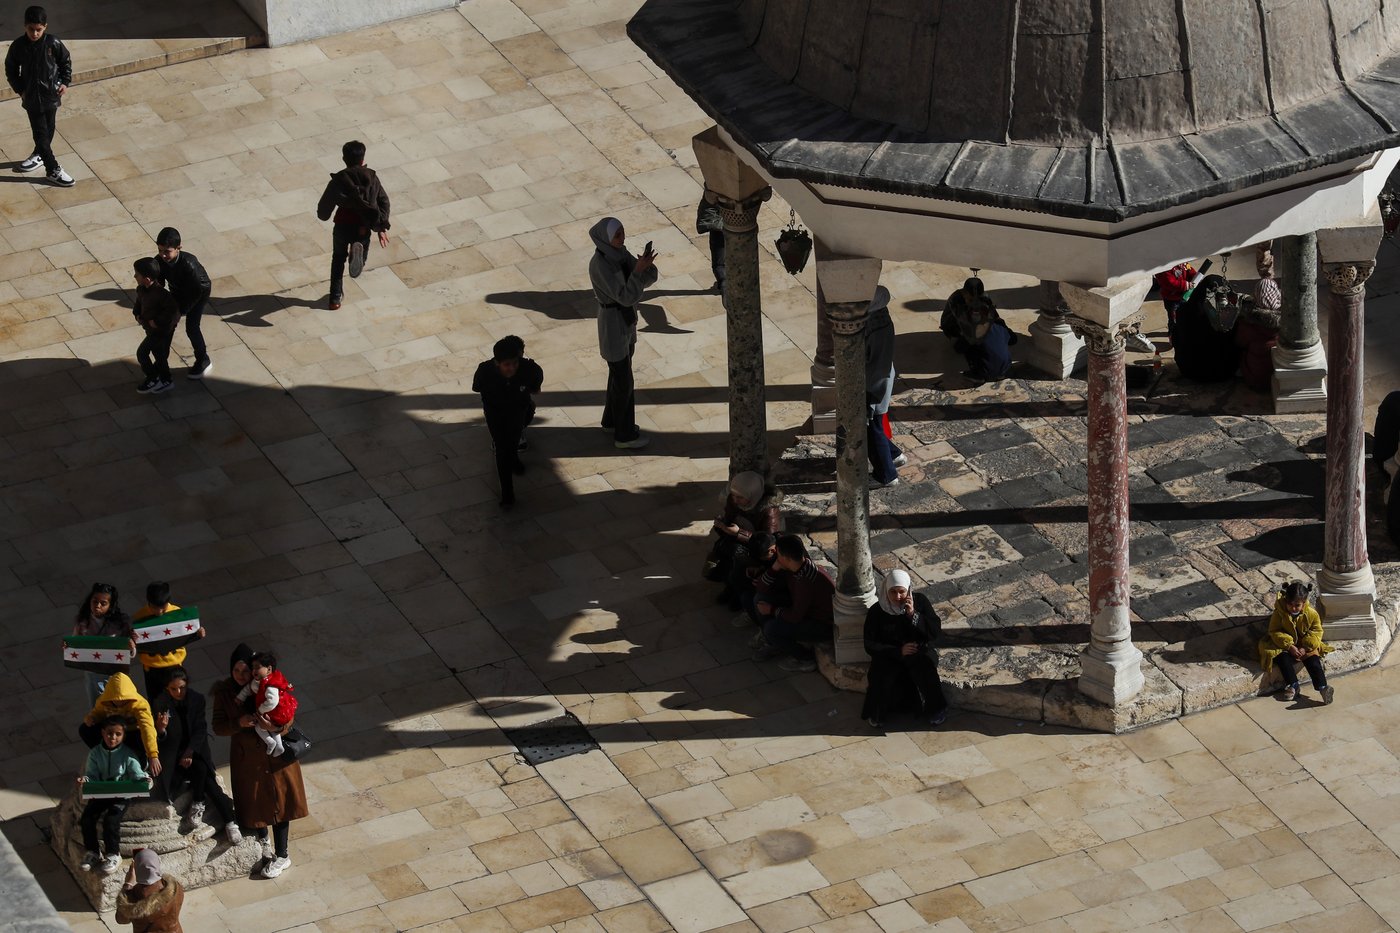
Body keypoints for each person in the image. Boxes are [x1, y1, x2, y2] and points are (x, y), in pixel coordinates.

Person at [210, 644, 308, 879]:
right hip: (247, 759)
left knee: (281, 804)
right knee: (255, 803)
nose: (242, 676)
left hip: (275, 756)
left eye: (247, 671)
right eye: (237, 671)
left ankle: (282, 854)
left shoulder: (271, 686)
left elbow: (288, 716)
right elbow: (218, 726)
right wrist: (238, 724)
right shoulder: (225, 694)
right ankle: (264, 843)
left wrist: (272, 727)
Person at [589, 216, 658, 449]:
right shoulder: (600, 265)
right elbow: (626, 295)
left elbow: (646, 280)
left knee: (619, 376)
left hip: (626, 321)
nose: (622, 238)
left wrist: (645, 267)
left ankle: (611, 421)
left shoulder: (620, 254)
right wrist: (637, 272)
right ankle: (624, 435)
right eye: (617, 235)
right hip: (613, 323)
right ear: (606, 239)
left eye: (622, 233)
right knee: (623, 379)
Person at [153, 668, 241, 842]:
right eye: (174, 689)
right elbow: (161, 740)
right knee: (203, 777)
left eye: (182, 688)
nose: (179, 692)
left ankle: (224, 819)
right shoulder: (160, 703)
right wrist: (161, 729)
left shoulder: (196, 699)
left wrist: (190, 751)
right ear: (167, 689)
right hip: (174, 756)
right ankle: (219, 814)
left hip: (195, 750)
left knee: (206, 776)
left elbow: (200, 729)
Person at [861, 570, 947, 728]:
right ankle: (878, 713)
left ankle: (935, 710)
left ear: (908, 590)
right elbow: (870, 644)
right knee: (881, 676)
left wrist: (913, 615)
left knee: (925, 670)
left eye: (901, 591)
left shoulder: (919, 602)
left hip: (917, 651)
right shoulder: (877, 611)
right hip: (889, 655)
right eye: (893, 592)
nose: (898, 597)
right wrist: (898, 651)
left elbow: (934, 631)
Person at [316, 140, 391, 310]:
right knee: (360, 259)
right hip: (362, 227)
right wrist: (381, 227)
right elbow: (383, 201)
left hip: (342, 225)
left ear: (344, 159)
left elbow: (324, 208)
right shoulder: (372, 178)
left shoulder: (339, 180)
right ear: (363, 159)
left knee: (337, 259)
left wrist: (323, 214)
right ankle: (356, 255)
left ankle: (335, 299)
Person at [472, 335, 544, 508]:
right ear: (497, 363)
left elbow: (535, 387)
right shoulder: (485, 371)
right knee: (502, 448)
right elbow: (477, 387)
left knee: (511, 442)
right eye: (507, 365)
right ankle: (507, 494)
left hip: (518, 411)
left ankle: (514, 461)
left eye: (514, 363)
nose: (512, 368)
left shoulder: (530, 369)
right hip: (494, 413)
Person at [5, 5, 73, 187]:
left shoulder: (53, 43)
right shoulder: (19, 46)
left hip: (51, 95)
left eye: (38, 30)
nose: (35, 33)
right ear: (25, 26)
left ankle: (40, 155)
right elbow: (11, 69)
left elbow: (65, 61)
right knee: (41, 134)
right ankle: (52, 169)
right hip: (32, 99)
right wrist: (21, 90)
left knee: (49, 128)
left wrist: (65, 82)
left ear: (45, 27)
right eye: (31, 29)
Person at [751, 535, 835, 673]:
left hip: (821, 625)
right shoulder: (795, 568)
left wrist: (772, 610)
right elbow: (761, 588)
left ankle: (806, 659)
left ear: (785, 557)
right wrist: (774, 568)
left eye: (778, 555)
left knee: (771, 629)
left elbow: (795, 616)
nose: (776, 557)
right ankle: (774, 643)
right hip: (804, 611)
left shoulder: (805, 580)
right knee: (759, 598)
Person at [77, 717, 151, 875]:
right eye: (109, 733)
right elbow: (91, 774)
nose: (113, 738)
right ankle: (93, 852)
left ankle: (113, 854)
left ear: (123, 735)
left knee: (111, 821)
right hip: (101, 793)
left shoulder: (127, 755)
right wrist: (86, 780)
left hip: (121, 795)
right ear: (103, 733)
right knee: (87, 818)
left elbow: (137, 774)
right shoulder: (95, 753)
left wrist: (145, 779)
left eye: (118, 734)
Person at [704, 471, 782, 604]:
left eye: (740, 497)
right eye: (733, 495)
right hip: (735, 540)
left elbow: (768, 541)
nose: (735, 500)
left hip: (756, 548)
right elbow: (730, 518)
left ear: (753, 495)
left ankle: (738, 592)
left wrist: (738, 533)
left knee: (737, 558)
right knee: (725, 551)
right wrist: (722, 525)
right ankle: (729, 586)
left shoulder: (769, 511)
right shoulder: (733, 500)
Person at [1258, 582, 1334, 703]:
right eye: (1290, 604)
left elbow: (1316, 631)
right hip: (1285, 645)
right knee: (1282, 659)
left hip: (1305, 644)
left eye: (1297, 605)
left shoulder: (1312, 614)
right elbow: (1274, 631)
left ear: (1303, 604)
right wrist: (1289, 646)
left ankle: (1323, 688)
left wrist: (1305, 647)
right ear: (1286, 601)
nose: (1293, 608)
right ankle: (1292, 685)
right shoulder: (1279, 613)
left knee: (1313, 661)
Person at [153, 228, 212, 379]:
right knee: (167, 325)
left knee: (192, 327)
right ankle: (161, 361)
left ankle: (203, 359)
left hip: (198, 293)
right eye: (160, 250)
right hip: (178, 291)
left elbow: (196, 290)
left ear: (179, 248)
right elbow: (159, 281)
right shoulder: (160, 260)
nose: (163, 255)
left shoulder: (189, 263)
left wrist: (180, 311)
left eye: (167, 251)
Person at [132, 582, 206, 699]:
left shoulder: (178, 613)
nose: (159, 612)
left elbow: (187, 634)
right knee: (156, 701)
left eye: (163, 608)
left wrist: (198, 634)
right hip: (152, 668)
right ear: (148, 602)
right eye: (155, 608)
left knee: (178, 698)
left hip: (175, 666)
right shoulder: (139, 618)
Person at [81, 672, 161, 778]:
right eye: (116, 700)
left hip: (133, 734)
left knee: (143, 737)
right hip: (114, 732)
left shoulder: (140, 705)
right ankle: (104, 753)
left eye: (124, 700)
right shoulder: (104, 701)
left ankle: (140, 760)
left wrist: (152, 755)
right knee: (85, 729)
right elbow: (97, 713)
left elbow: (147, 729)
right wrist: (90, 718)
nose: (120, 703)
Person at [865, 286, 905, 487]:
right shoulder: (884, 319)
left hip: (874, 381)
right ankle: (894, 454)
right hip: (884, 375)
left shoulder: (869, 326)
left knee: (872, 428)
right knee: (877, 424)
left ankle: (886, 475)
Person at [940, 277, 1014, 383]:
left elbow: (960, 347)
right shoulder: (956, 299)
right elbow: (960, 321)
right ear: (965, 293)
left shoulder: (985, 300)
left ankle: (978, 372)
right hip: (956, 324)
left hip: (977, 329)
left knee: (971, 344)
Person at [73, 582, 134, 707]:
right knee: (97, 707)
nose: (97, 606)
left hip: (115, 673)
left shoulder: (121, 622)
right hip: (93, 673)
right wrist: (68, 647)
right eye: (95, 601)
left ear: (110, 605)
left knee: (119, 707)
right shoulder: (83, 622)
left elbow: (130, 645)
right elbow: (75, 642)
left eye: (103, 603)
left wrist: (131, 646)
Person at [1172, 274, 1240, 382]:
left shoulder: (1184, 311)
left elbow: (1176, 337)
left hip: (1190, 370)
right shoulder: (1227, 314)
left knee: (1176, 331)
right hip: (1224, 371)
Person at [236, 651, 297, 756]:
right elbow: (248, 689)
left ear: (269, 669)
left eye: (257, 667)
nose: (254, 671)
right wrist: (240, 697)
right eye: (252, 668)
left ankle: (271, 742)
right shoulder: (258, 681)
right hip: (272, 712)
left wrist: (260, 711)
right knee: (269, 727)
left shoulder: (270, 685)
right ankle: (278, 746)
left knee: (260, 727)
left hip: (277, 711)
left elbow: (272, 701)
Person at [132, 257, 178, 395]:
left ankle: (153, 378)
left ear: (147, 279)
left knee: (142, 353)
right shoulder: (141, 289)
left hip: (160, 331)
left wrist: (157, 322)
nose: (135, 276)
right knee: (160, 355)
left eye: (137, 274)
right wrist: (137, 314)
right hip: (150, 329)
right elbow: (139, 304)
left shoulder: (162, 295)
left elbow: (172, 312)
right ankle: (166, 379)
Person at [1236, 248, 1281, 392]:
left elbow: (1238, 342)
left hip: (1256, 380)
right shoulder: (1288, 323)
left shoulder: (1249, 324)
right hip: (1280, 381)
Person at [115, 849, 184, 933]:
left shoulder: (134, 897)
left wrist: (128, 884)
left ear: (136, 869)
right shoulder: (176, 887)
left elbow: (121, 919)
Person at [1153, 260, 1196, 340]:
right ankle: (1173, 336)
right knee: (1174, 320)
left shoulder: (1183, 263)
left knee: (1185, 315)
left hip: (1183, 296)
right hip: (1171, 300)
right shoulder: (1165, 268)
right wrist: (1185, 285)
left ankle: (1183, 331)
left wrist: (1195, 276)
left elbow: (1189, 269)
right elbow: (1169, 282)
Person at [696, 193, 724, 294]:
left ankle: (724, 284)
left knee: (719, 264)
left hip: (717, 226)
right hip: (730, 226)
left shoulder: (713, 184)